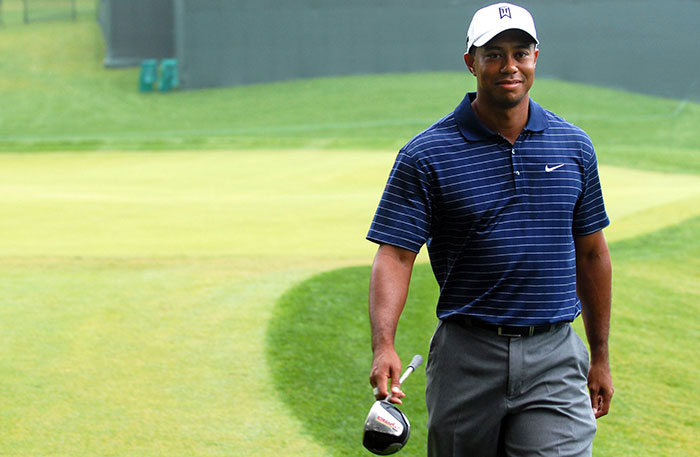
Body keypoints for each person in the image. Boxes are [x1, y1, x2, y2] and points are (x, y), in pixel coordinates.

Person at [366, 3, 613, 456]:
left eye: (521, 52)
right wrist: (384, 345)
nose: (509, 66)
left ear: (536, 57)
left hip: (555, 354)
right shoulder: (427, 154)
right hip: (467, 355)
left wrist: (600, 356)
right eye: (494, 54)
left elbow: (593, 253)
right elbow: (396, 255)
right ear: (471, 62)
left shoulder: (574, 145)